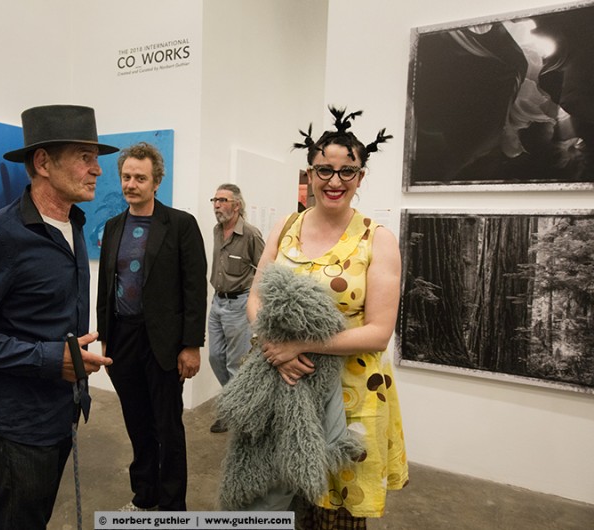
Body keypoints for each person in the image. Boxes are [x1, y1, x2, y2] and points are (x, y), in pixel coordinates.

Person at [0, 105, 114, 530]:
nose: (97, 170)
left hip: (60, 413)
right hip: (15, 428)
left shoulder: (74, 224)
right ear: (43, 162)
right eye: (84, 157)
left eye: (96, 158)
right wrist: (50, 359)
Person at [247, 107, 408, 528]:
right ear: (310, 173)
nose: (335, 181)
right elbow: (256, 296)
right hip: (284, 383)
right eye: (325, 170)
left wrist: (298, 346)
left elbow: (378, 333)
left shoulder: (377, 239)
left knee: (337, 514)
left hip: (352, 393)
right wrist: (273, 348)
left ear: (360, 177)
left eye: (347, 171)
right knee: (280, 499)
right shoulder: (287, 226)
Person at [96, 142, 207, 512]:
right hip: (123, 338)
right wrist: (106, 338)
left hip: (163, 342)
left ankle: (173, 507)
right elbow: (105, 286)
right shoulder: (113, 226)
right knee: (137, 423)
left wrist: (191, 345)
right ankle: (145, 496)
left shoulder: (180, 225)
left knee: (167, 427)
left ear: (156, 182)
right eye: (127, 177)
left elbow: (194, 288)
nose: (131, 184)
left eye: (140, 178)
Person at [207, 183, 264, 433]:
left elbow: (265, 269)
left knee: (235, 363)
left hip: (239, 304)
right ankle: (233, 404)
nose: (217, 205)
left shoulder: (250, 234)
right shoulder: (217, 230)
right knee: (215, 357)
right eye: (215, 200)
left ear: (237, 205)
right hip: (217, 301)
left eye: (223, 200)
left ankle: (239, 416)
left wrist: (256, 301)